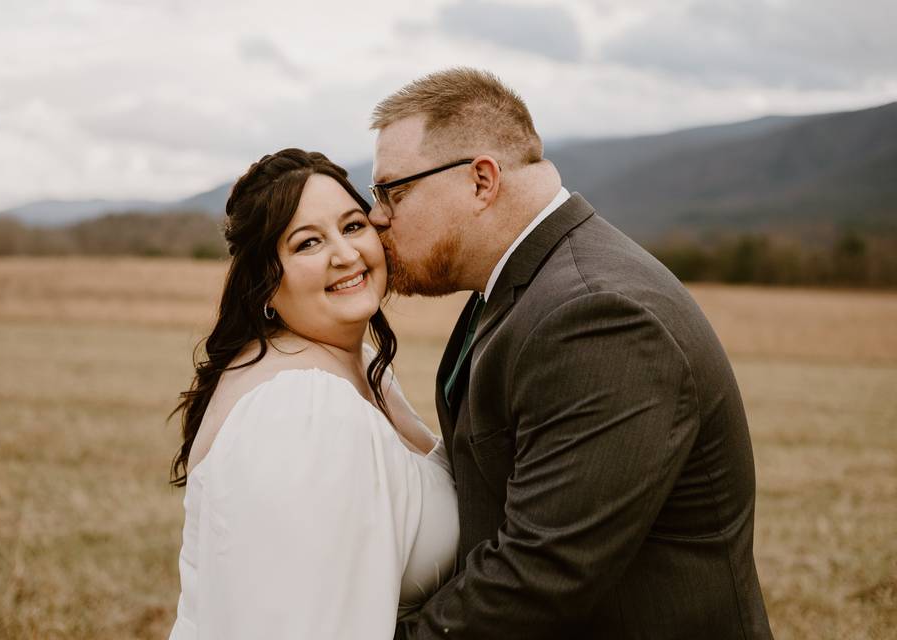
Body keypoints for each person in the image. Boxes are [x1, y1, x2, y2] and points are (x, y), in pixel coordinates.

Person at [368, 68, 773, 638]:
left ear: (482, 181)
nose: (377, 215)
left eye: (393, 190)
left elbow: (541, 573)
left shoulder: (598, 315)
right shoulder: (524, 286)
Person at [167, 149, 458, 639]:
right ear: (265, 282)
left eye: (351, 227)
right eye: (307, 244)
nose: (345, 255)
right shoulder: (300, 409)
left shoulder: (362, 366)